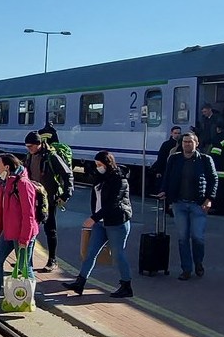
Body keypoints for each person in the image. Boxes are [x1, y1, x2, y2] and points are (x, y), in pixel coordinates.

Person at [63, 151, 135, 298]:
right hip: (101, 223)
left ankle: (126, 285)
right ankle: (80, 282)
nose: (98, 168)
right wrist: (96, 218)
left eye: (100, 165)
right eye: (96, 165)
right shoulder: (100, 177)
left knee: (118, 254)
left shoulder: (120, 180)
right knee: (90, 253)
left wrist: (94, 218)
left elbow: (112, 204)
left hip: (116, 222)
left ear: (108, 164)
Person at [158, 131, 218, 280]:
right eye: (184, 142)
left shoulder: (205, 159)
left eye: (190, 142)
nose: (187, 144)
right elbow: (167, 176)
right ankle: (186, 269)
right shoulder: (174, 159)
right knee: (182, 238)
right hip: (179, 204)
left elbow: (213, 179)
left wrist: (209, 198)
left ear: (196, 144)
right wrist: (164, 191)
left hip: (198, 205)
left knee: (197, 237)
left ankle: (198, 262)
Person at [0, 153, 40, 304]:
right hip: (9, 231)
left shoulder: (23, 184)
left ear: (7, 167)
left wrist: (25, 239)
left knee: (24, 267)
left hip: (22, 233)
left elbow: (29, 215)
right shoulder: (7, 182)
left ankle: (28, 298)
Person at [24, 130, 74, 271]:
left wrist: (66, 194)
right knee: (30, 229)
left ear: (39, 144)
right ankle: (27, 260)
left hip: (48, 198)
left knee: (50, 229)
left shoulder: (52, 157)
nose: (29, 149)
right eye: (27, 146)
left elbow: (67, 174)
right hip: (32, 197)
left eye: (31, 146)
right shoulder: (29, 156)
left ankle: (52, 260)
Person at [150, 126, 183, 192]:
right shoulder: (166, 144)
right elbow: (161, 158)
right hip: (166, 168)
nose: (177, 135)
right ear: (171, 133)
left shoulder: (182, 144)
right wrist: (159, 171)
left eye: (179, 133)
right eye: (175, 133)